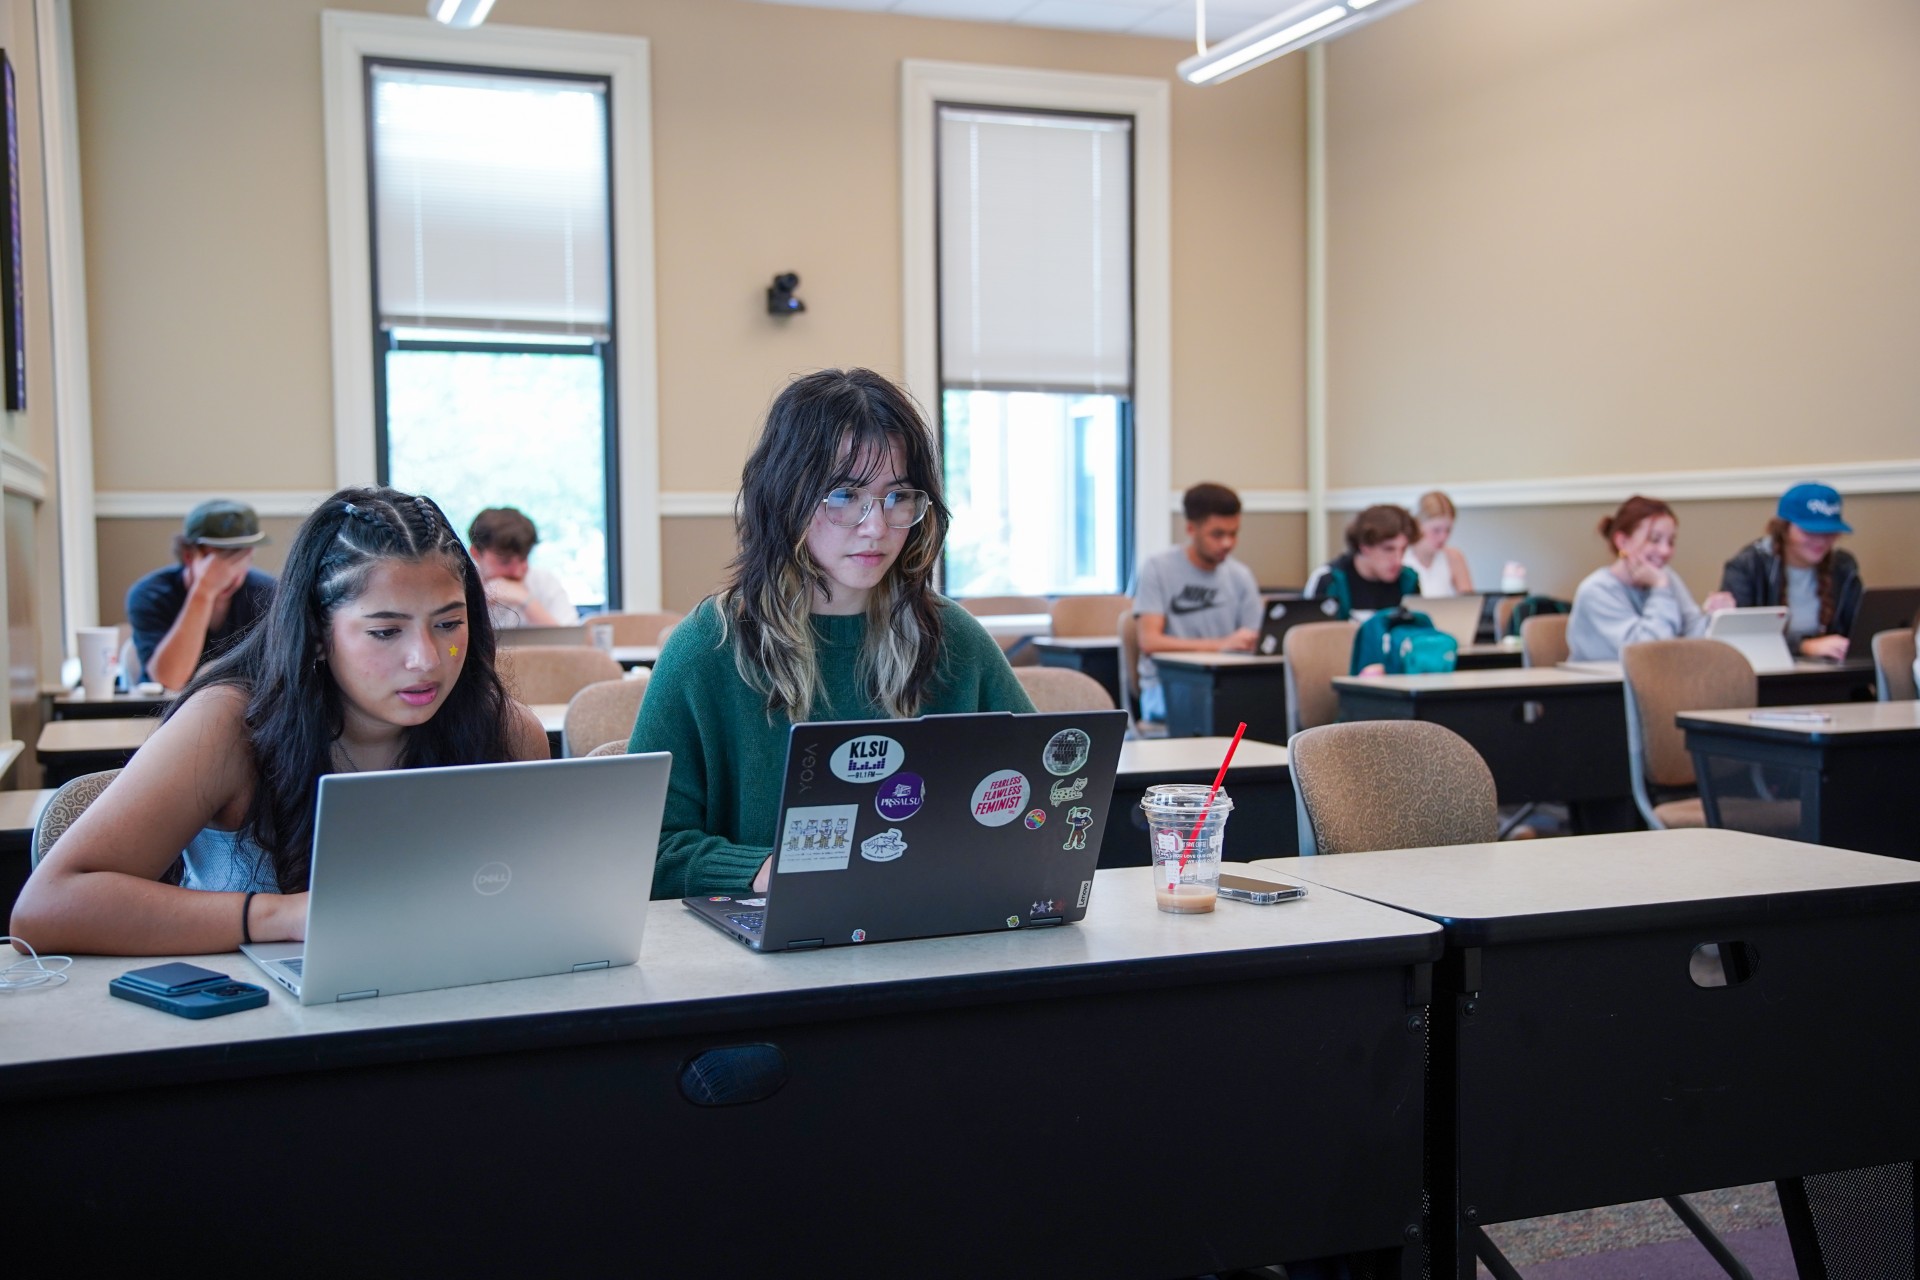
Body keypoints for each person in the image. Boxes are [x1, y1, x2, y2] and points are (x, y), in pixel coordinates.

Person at [11, 487, 550, 956]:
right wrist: (284, 917)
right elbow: (46, 907)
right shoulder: (224, 726)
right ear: (317, 634)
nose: (427, 660)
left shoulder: (506, 731)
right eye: (386, 632)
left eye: (449, 623)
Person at [628, 368, 1034, 900]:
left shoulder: (952, 636)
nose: (876, 526)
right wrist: (768, 870)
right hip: (767, 957)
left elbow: (1042, 801)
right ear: (785, 496)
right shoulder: (710, 646)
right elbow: (645, 851)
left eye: (899, 496)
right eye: (844, 495)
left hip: (932, 932)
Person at [1130, 482, 1264, 722]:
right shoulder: (1158, 568)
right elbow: (1149, 641)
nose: (1227, 543)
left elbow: (1256, 638)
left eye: (1233, 534)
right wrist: (1223, 644)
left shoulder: (1240, 575)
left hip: (1227, 684)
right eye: (1217, 534)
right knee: (1221, 715)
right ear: (1191, 529)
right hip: (1167, 687)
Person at [126, 498, 278, 690]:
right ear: (189, 556)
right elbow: (171, 680)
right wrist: (204, 593)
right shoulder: (150, 595)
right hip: (165, 712)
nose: (232, 574)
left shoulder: (267, 593)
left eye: (242, 557)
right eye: (221, 559)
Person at [1566, 495, 1736, 662]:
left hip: (1661, 685)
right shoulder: (1596, 590)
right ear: (1623, 542)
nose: (1665, 551)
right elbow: (1648, 654)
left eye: (1671, 542)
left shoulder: (1665, 576)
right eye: (1654, 540)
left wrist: (1715, 618)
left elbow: (1693, 636)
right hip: (1603, 688)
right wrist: (1660, 589)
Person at [1718, 483, 1862, 660]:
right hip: (1769, 673)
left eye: (1829, 532)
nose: (1821, 541)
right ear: (1784, 529)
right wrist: (1803, 646)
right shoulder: (1747, 566)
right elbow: (1740, 635)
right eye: (1809, 531)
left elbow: (1858, 627)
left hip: (1831, 673)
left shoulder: (1843, 567)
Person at [467, 507, 580, 630]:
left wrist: (526, 600)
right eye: (505, 562)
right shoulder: (461, 587)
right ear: (476, 553)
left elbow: (573, 643)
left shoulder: (543, 581)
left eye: (523, 559)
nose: (517, 571)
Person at [1305, 504, 1420, 616]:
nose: (1398, 560)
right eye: (1388, 549)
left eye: (1403, 549)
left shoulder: (1408, 580)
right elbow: (1307, 633)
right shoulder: (1329, 580)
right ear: (1364, 546)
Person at [1406, 490, 1474, 597]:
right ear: (1418, 525)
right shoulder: (1402, 558)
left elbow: (1469, 605)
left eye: (1448, 530)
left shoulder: (1454, 557)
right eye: (1436, 530)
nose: (1443, 537)